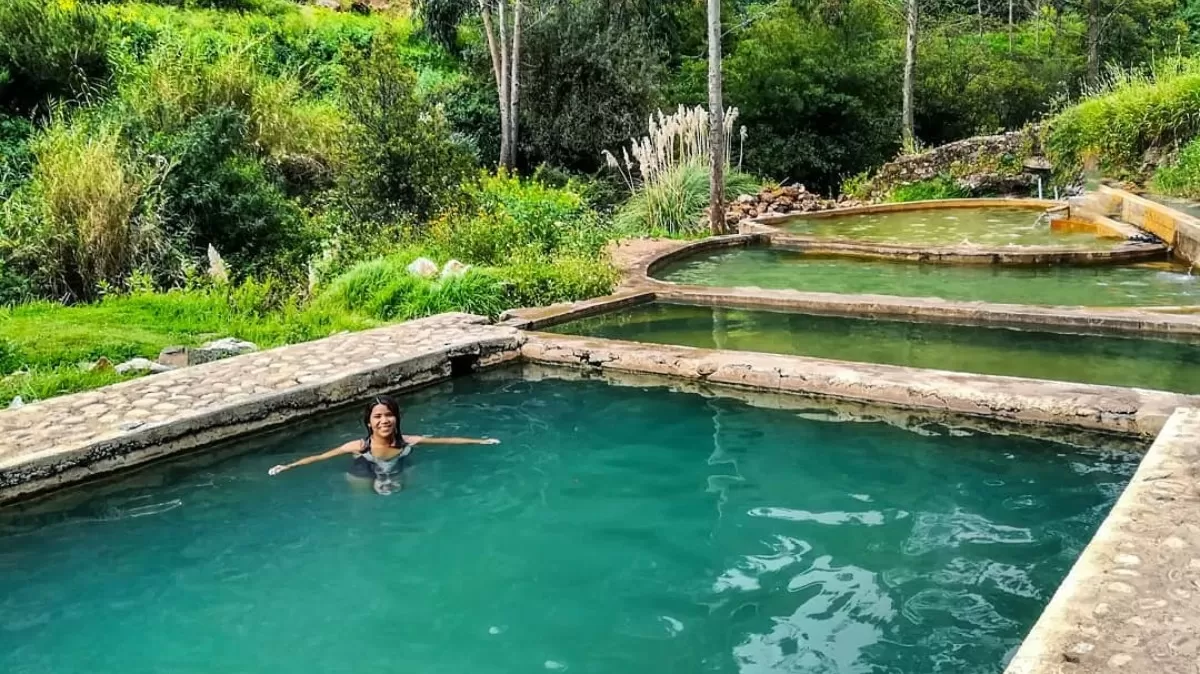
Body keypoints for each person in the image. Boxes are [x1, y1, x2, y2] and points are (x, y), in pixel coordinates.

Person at [267, 395, 499, 495]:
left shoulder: (408, 441)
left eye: (389, 415)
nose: (384, 420)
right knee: (360, 491)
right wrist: (288, 467)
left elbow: (447, 440)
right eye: (377, 417)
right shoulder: (358, 446)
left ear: (397, 417)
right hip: (364, 473)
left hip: (398, 471)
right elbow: (320, 457)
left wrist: (481, 441)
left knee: (415, 476)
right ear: (369, 423)